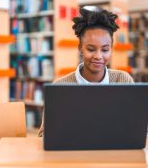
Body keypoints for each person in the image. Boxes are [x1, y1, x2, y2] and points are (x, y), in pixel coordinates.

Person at [38, 8, 134, 137]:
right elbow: (43, 135)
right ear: (80, 48)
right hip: (74, 154)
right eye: (91, 49)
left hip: (114, 152)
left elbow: (142, 124)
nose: (98, 56)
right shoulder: (59, 87)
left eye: (105, 50)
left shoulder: (124, 80)